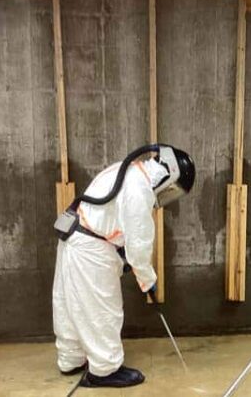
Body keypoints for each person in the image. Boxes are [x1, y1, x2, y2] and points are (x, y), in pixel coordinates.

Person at [52, 145, 195, 388]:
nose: (168, 195)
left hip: (74, 237)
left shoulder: (126, 170)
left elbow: (111, 218)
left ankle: (70, 358)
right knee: (102, 310)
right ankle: (104, 370)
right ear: (169, 175)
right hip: (91, 251)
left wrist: (122, 254)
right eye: (172, 189)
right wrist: (148, 281)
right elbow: (139, 246)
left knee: (70, 303)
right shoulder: (139, 189)